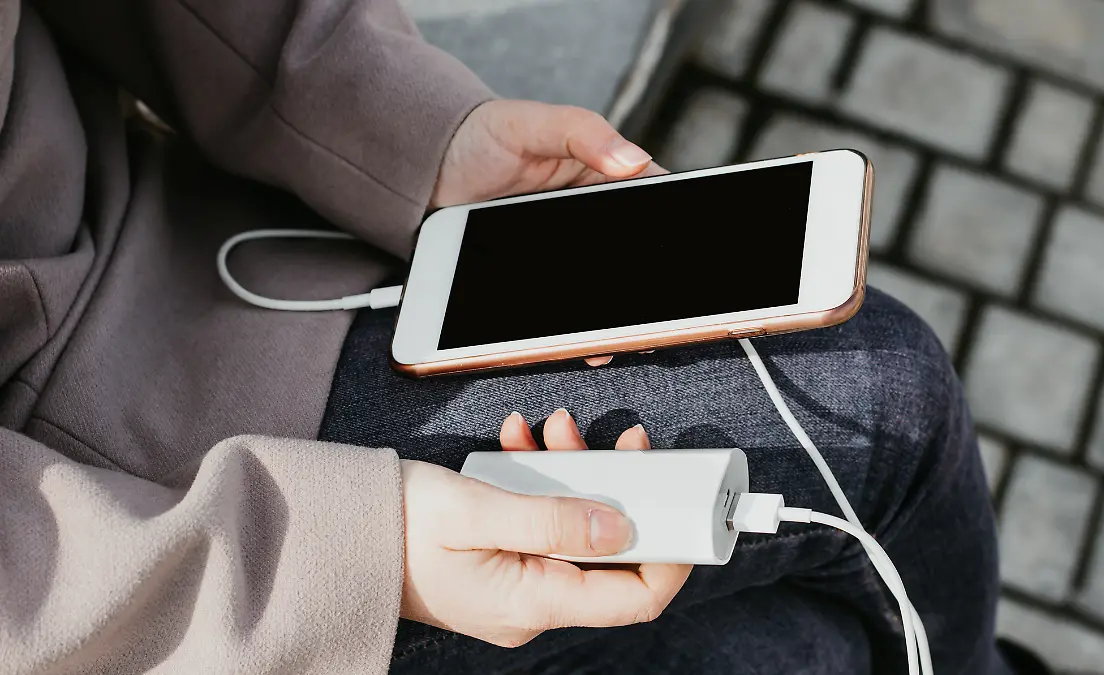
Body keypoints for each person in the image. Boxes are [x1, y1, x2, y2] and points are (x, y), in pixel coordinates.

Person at [0, 0, 1026, 673]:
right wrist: (352, 554)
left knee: (880, 398)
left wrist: (412, 131)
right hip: (115, 579)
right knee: (802, 638)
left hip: (173, 235)